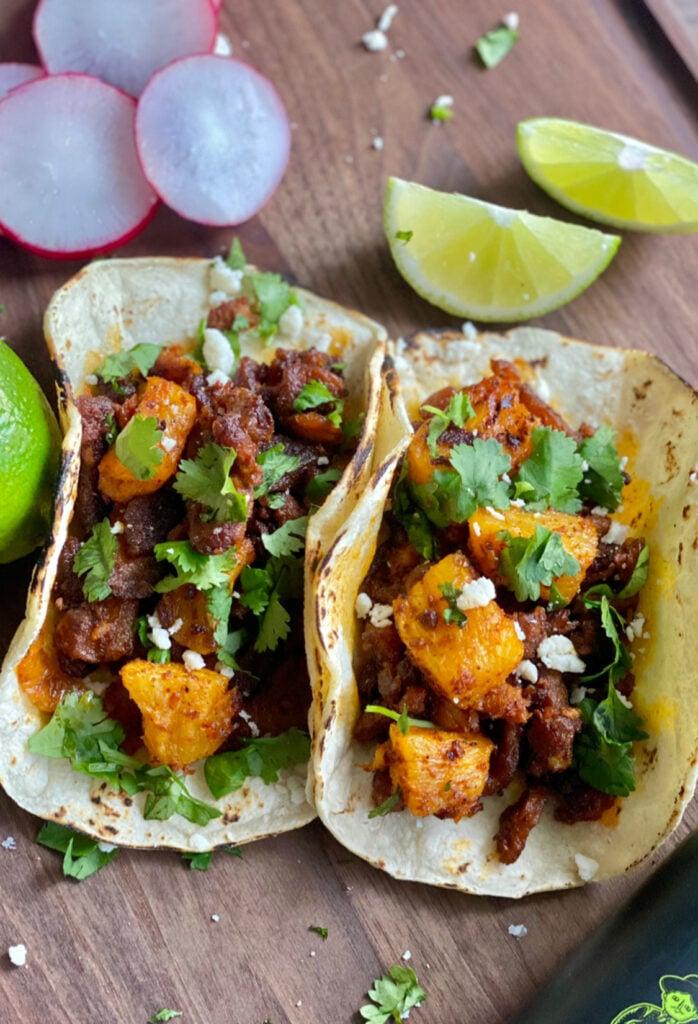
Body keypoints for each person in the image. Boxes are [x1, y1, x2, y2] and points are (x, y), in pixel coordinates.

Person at [611, 975, 698, 1024]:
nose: (679, 1006)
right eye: (675, 998)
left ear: (695, 1016)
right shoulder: (645, 1010)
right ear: (665, 996)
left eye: (687, 1008)